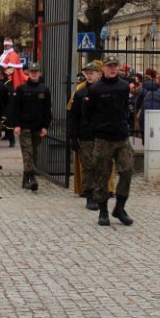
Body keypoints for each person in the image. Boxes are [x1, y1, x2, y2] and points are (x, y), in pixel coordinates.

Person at [84, 56, 134, 226]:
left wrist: (125, 126)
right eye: (109, 66)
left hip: (121, 137)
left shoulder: (124, 86)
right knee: (102, 176)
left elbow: (126, 108)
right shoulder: (96, 88)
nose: (112, 69)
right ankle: (103, 210)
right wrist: (94, 132)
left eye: (115, 66)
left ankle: (120, 207)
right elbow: (88, 113)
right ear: (103, 68)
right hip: (103, 138)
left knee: (127, 170)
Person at [7, 62, 52, 192]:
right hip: (24, 126)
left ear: (39, 73)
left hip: (37, 127)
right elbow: (15, 108)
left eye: (36, 71)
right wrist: (16, 125)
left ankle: (25, 179)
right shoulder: (21, 89)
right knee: (28, 152)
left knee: (34, 153)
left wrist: (45, 126)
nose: (33, 74)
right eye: (31, 71)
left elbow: (47, 110)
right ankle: (32, 178)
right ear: (28, 73)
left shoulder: (44, 89)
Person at [67, 61, 102, 209]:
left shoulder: (104, 91)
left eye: (91, 72)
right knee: (88, 166)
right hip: (86, 136)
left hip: (102, 136)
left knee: (101, 166)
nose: (88, 75)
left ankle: (100, 193)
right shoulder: (81, 93)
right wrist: (73, 137)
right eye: (87, 73)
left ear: (99, 74)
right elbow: (73, 116)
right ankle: (89, 194)